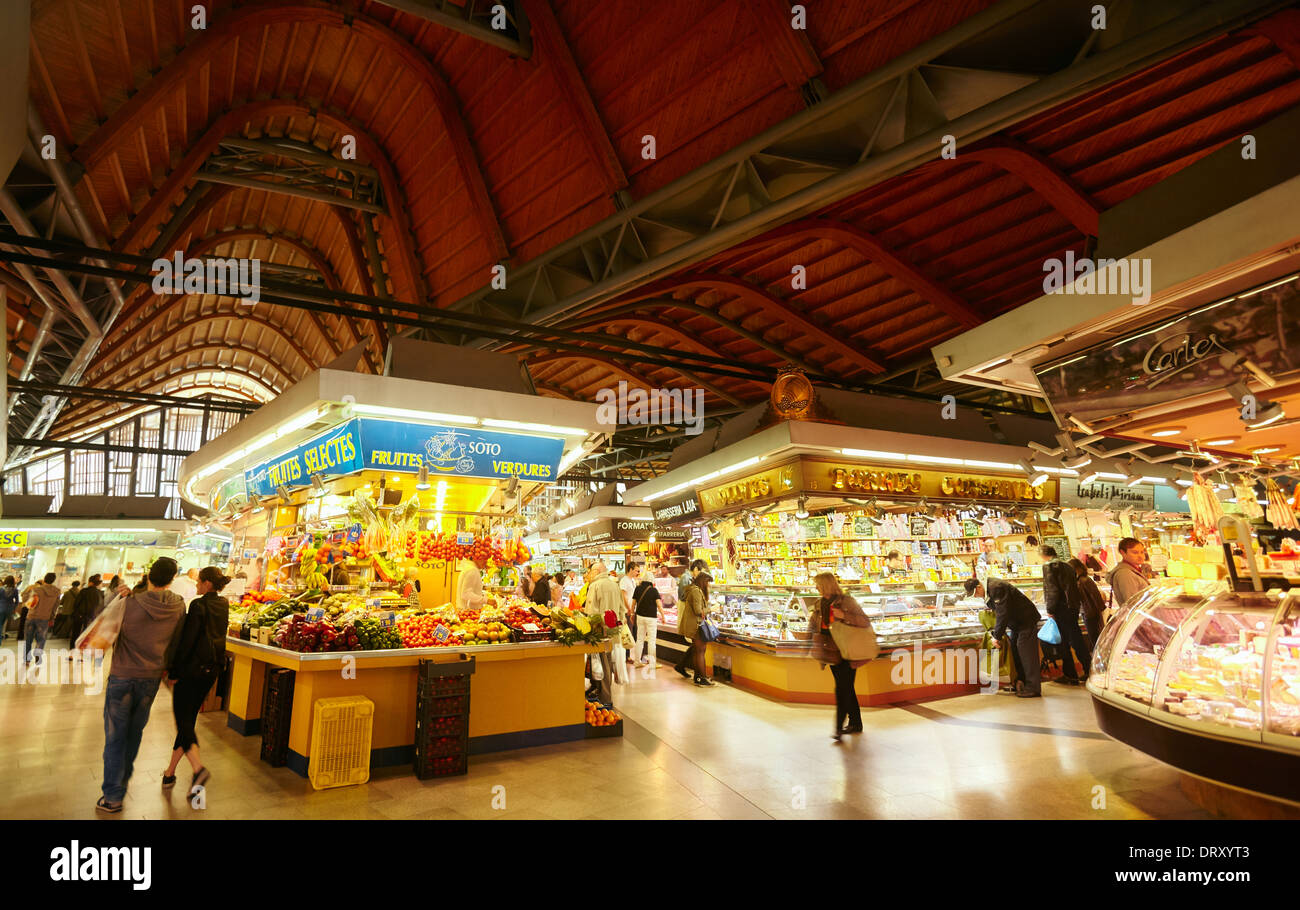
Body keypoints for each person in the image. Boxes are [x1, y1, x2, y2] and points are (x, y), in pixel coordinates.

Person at [97, 557, 187, 813]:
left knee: (116, 737)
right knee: (134, 734)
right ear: (172, 578)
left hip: (122, 676)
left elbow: (103, 624)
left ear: (149, 576)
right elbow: (177, 641)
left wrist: (116, 595)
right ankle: (120, 785)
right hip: (150, 678)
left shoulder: (129, 603)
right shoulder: (178, 606)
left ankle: (113, 796)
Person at [163, 566, 231, 795]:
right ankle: (170, 772)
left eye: (200, 582)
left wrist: (173, 671)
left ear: (208, 584)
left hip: (191, 671)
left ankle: (198, 768)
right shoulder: (224, 604)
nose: (197, 585)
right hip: (211, 670)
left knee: (183, 721)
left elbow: (187, 642)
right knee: (187, 721)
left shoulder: (198, 605)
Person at [811, 572, 872, 740]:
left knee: (842, 689)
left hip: (848, 651)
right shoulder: (820, 603)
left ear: (826, 585)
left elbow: (864, 621)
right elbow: (816, 625)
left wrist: (844, 615)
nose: (816, 588)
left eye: (818, 585)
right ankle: (856, 723)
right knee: (846, 688)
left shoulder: (847, 602)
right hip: (831, 652)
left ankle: (838, 727)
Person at [967, 577, 1041, 697]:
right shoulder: (990, 590)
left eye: (975, 593)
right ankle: (1020, 682)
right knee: (1016, 652)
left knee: (1027, 654)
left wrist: (997, 636)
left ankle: (1033, 687)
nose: (975, 596)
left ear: (979, 587)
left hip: (1026, 620)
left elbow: (1003, 613)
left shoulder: (996, 587)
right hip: (1017, 623)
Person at [1041, 545, 1089, 685]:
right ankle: (1089, 670)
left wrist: (1050, 610)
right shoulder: (1067, 565)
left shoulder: (1049, 566)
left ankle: (1070, 675)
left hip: (1061, 609)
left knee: (1063, 643)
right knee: (1077, 640)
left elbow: (1053, 590)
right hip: (1072, 608)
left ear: (1043, 555)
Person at [583, 561, 627, 690]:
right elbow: (622, 609)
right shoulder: (615, 585)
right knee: (608, 660)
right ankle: (600, 690)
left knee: (601, 662)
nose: (589, 574)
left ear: (596, 571)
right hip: (613, 628)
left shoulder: (595, 586)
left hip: (600, 630)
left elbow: (591, 612)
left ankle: (604, 696)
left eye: (591, 571)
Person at [674, 560, 715, 687]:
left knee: (698, 651)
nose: (708, 585)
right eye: (707, 582)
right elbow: (698, 611)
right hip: (696, 626)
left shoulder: (694, 590)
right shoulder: (696, 591)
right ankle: (701, 678)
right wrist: (712, 609)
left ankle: (698, 676)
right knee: (700, 651)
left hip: (695, 625)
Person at [24, 573, 61, 665]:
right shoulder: (57, 592)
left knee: (28, 638)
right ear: (53, 580)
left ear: (44, 579)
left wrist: (27, 591)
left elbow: (26, 601)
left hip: (32, 616)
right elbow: (55, 606)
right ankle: (38, 655)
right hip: (45, 618)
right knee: (41, 639)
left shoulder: (36, 590)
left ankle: (27, 660)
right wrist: (52, 618)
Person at [1070, 558, 1106, 647]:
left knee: (1095, 638)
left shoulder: (1082, 581)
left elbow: (1091, 598)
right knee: (1096, 637)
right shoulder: (1084, 579)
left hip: (1090, 614)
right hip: (1092, 612)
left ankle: (1098, 658)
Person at [1107, 537, 1151, 611]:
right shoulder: (1125, 574)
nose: (1140, 556)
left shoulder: (1133, 570)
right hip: (1138, 618)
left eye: (1142, 552)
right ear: (1123, 553)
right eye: (1135, 552)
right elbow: (1132, 603)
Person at [631, 574, 665, 666]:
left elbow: (633, 603)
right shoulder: (654, 590)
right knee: (651, 641)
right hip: (651, 618)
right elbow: (659, 604)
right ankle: (652, 663)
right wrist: (663, 615)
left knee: (639, 640)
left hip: (640, 617)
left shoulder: (637, 589)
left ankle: (637, 661)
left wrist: (631, 614)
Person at [69, 574, 105, 651]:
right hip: (91, 618)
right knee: (86, 636)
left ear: (90, 582)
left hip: (79, 616)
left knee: (75, 634)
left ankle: (73, 650)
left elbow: (76, 604)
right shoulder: (99, 593)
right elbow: (101, 607)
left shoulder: (84, 591)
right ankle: (83, 652)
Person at [619, 564, 641, 661]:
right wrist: (628, 609)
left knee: (634, 633)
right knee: (627, 634)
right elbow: (623, 595)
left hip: (633, 610)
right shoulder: (624, 580)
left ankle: (633, 656)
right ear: (631, 569)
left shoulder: (632, 581)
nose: (638, 573)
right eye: (636, 570)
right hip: (626, 610)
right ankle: (626, 656)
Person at [0, 576, 19, 640]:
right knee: (4, 623)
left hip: (1, 608)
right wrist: (14, 608)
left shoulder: (1, 589)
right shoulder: (15, 590)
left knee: (0, 624)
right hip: (9, 609)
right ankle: (3, 635)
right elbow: (17, 601)